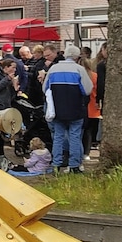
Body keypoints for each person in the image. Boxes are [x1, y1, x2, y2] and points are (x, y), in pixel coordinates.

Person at [44, 45, 93, 174]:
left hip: (58, 110)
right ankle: (74, 165)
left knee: (58, 137)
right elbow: (87, 90)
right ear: (77, 57)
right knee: (75, 137)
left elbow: (45, 88)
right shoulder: (79, 69)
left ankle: (56, 164)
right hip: (76, 109)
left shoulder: (53, 69)